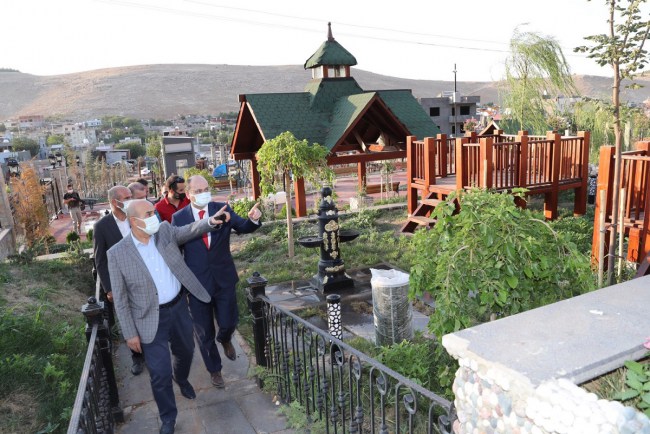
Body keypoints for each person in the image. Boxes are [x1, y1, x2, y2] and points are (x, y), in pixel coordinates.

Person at [108, 199, 227, 434]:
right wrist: (130, 333)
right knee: (159, 374)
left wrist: (210, 222)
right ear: (134, 221)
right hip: (148, 320)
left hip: (178, 308)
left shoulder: (164, 231)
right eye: (148, 213)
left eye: (154, 211)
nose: (155, 217)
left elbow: (188, 230)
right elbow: (120, 299)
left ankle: (180, 378)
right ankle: (168, 418)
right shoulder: (117, 254)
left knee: (186, 352)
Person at [171, 175, 262, 388]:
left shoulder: (222, 209)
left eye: (206, 189)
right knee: (203, 331)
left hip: (224, 277)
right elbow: (175, 249)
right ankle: (215, 370)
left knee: (229, 321)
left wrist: (253, 219)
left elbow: (243, 226)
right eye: (199, 190)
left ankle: (225, 338)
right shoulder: (179, 218)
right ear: (189, 194)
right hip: (197, 283)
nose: (204, 193)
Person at [93, 186, 146, 375]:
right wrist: (109, 289)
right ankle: (137, 357)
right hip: (122, 282)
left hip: (145, 277)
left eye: (131, 196)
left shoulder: (137, 217)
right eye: (127, 197)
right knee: (129, 320)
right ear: (115, 202)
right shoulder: (102, 226)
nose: (131, 200)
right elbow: (100, 260)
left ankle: (153, 349)